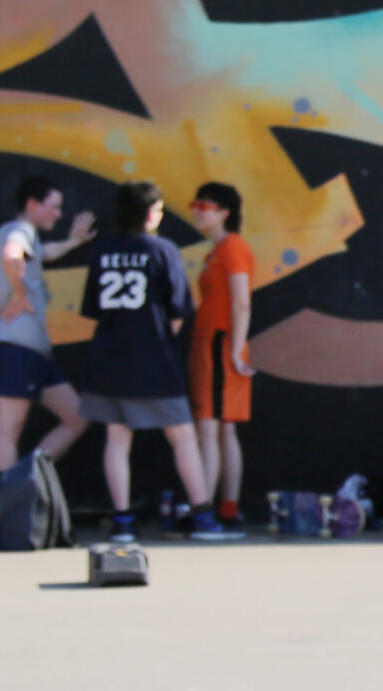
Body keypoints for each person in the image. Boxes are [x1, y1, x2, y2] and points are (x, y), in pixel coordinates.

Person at [77, 181, 225, 541]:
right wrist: (156, 339)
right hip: (154, 360)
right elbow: (178, 310)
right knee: (183, 436)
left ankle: (123, 522)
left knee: (116, 438)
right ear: (148, 213)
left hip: (108, 358)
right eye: (157, 209)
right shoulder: (163, 250)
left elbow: (93, 309)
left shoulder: (103, 248)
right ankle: (203, 517)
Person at [0, 175, 96, 475]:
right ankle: (2, 505)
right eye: (55, 207)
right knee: (8, 429)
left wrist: (74, 241)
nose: (59, 214)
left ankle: (27, 481)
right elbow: (12, 254)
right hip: (17, 345)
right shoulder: (19, 230)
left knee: (76, 417)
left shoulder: (28, 236)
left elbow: (43, 253)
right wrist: (20, 296)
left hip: (35, 351)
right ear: (32, 204)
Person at [186, 182, 256, 528]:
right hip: (215, 344)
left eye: (205, 205)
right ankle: (224, 509)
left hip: (220, 344)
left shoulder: (232, 247)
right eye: (195, 204)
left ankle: (207, 512)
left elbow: (242, 301)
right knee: (222, 430)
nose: (197, 211)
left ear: (224, 212)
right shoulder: (216, 251)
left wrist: (234, 350)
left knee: (210, 430)